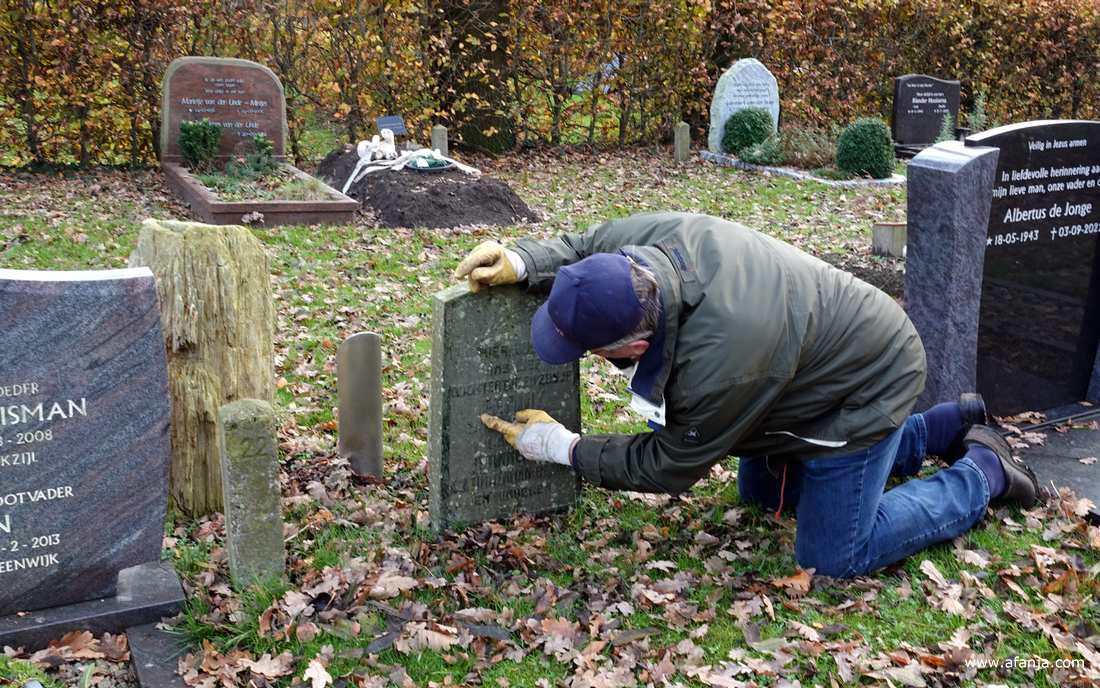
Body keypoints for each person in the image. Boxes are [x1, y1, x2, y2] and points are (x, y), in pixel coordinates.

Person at [453, 212, 1042, 578]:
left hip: (868, 380)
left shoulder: (722, 367)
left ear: (631, 349)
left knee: (833, 558)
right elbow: (586, 245)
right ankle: (942, 426)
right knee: (767, 497)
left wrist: (563, 448)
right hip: (812, 358)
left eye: (590, 351)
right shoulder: (642, 245)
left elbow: (668, 465)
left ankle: (983, 469)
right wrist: (525, 259)